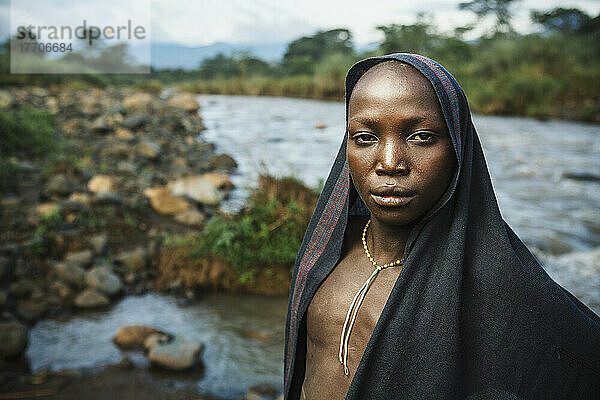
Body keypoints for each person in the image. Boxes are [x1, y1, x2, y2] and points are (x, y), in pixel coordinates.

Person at [283, 53, 600, 400]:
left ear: (457, 148)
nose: (389, 163)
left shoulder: (493, 281)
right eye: (365, 137)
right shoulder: (327, 248)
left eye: (420, 137)